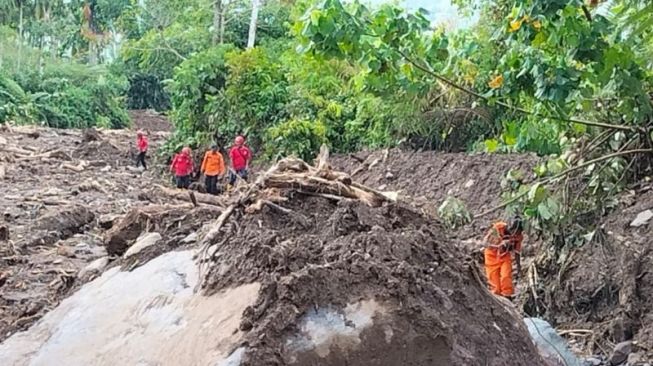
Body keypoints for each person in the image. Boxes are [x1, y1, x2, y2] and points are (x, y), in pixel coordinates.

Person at [483, 216, 524, 300]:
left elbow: (517, 252)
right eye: (513, 231)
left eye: (517, 232)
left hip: (505, 257)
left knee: (506, 276)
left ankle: (507, 296)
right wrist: (499, 245)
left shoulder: (518, 236)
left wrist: (519, 267)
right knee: (495, 285)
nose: (514, 234)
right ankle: (497, 299)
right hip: (491, 256)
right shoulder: (498, 227)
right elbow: (485, 243)